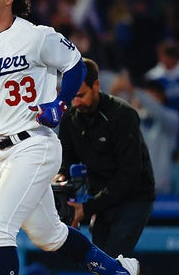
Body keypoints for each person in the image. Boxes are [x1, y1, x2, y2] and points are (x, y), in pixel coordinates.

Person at [0, 0, 139, 275]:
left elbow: (75, 65)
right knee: (50, 236)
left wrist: (60, 103)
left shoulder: (36, 36)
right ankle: (117, 270)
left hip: (33, 144)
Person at [57, 59, 155, 257]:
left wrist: (87, 207)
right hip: (100, 197)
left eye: (81, 95)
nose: (76, 102)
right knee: (100, 260)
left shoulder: (122, 114)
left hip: (134, 197)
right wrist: (60, 175)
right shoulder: (70, 117)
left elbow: (129, 175)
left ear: (96, 85)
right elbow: (66, 157)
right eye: (72, 97)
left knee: (112, 257)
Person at [109, 72, 179, 194]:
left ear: (161, 97)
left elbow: (157, 110)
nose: (146, 101)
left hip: (160, 189)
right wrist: (114, 94)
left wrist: (133, 90)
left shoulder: (172, 119)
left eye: (151, 97)